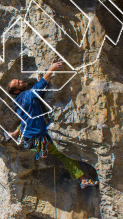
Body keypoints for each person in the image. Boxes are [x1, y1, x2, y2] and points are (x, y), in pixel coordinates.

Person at [6, 60, 98, 189]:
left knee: (27, 120)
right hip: (39, 139)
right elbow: (40, 85)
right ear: (16, 91)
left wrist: (15, 132)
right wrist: (51, 69)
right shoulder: (28, 97)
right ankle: (83, 180)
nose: (21, 81)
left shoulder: (18, 102)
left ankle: (15, 133)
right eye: (18, 83)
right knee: (63, 154)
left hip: (30, 139)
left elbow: (24, 121)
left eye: (19, 80)